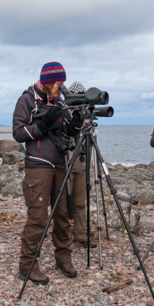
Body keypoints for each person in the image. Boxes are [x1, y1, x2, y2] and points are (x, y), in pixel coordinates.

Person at [12, 62, 80, 284]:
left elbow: (70, 130)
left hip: (61, 164)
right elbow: (18, 132)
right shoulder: (27, 99)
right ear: (49, 81)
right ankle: (28, 265)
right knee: (38, 218)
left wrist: (77, 119)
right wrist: (43, 125)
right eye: (59, 83)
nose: (62, 88)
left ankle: (64, 260)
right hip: (38, 166)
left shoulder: (60, 100)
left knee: (62, 216)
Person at [66, 81, 96, 248]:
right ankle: (61, 236)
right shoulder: (63, 112)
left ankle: (82, 236)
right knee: (63, 203)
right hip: (66, 163)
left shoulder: (87, 114)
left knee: (81, 203)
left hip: (82, 164)